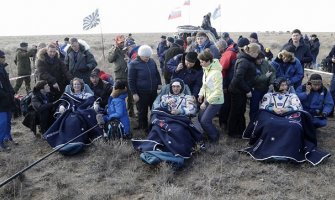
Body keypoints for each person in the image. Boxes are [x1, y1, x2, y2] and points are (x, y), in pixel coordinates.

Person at [241, 77, 330, 166]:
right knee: (269, 124)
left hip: (288, 115)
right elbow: (263, 106)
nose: (285, 87)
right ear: (276, 85)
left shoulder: (292, 96)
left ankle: (289, 152)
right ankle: (270, 150)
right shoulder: (268, 95)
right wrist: (273, 109)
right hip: (272, 115)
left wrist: (287, 109)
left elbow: (298, 107)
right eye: (282, 85)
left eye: (286, 85)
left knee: (294, 126)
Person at [227, 43, 261, 138]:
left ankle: (240, 130)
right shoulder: (244, 61)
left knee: (241, 110)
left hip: (240, 89)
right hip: (237, 90)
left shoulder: (248, 59)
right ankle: (232, 132)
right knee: (235, 111)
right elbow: (238, 78)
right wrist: (247, 90)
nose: (258, 55)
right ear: (253, 52)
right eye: (257, 53)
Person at [128, 45, 162, 131]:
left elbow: (157, 73)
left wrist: (159, 83)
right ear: (140, 55)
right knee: (142, 111)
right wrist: (134, 93)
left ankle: (155, 126)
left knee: (155, 109)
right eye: (145, 57)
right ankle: (144, 128)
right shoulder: (133, 64)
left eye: (148, 57)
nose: (147, 58)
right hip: (141, 92)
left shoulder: (152, 61)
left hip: (153, 91)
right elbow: (131, 80)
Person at [197, 50, 224, 143]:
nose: (200, 64)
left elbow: (218, 91)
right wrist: (201, 94)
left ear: (208, 61)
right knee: (200, 118)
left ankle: (214, 138)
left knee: (205, 121)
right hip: (208, 98)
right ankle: (209, 133)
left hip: (216, 100)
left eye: (202, 62)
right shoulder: (206, 69)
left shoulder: (216, 73)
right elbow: (204, 85)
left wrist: (205, 102)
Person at [108, 35, 135, 117]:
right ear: (116, 42)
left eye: (123, 42)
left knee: (131, 96)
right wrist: (115, 49)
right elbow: (110, 59)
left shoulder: (127, 49)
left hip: (129, 76)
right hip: (119, 77)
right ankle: (118, 111)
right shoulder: (113, 50)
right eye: (120, 42)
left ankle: (131, 112)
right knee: (117, 95)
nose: (122, 44)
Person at [249, 52, 276, 121]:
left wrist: (271, 83)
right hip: (255, 90)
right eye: (258, 59)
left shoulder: (265, 62)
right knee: (254, 108)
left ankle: (263, 122)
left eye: (262, 59)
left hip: (266, 89)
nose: (261, 61)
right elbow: (253, 79)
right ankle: (253, 122)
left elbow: (272, 71)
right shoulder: (251, 65)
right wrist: (265, 76)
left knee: (266, 107)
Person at [0, 50, 17, 151]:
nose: (4, 58)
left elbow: (7, 83)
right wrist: (6, 95)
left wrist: (12, 92)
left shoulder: (2, 67)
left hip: (8, 99)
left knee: (8, 120)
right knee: (2, 122)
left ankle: (7, 137)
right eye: (2, 57)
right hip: (1, 102)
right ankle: (1, 143)